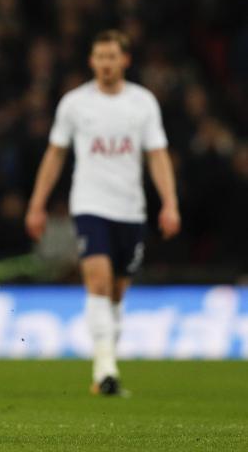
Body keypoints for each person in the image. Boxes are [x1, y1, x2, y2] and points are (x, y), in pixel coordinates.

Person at [25, 30, 180, 396]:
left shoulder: (143, 103)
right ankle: (106, 370)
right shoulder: (75, 104)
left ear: (124, 60)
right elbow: (55, 154)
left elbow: (157, 155)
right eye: (100, 57)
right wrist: (37, 203)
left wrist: (169, 202)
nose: (106, 64)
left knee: (117, 293)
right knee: (98, 282)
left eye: (112, 57)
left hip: (131, 209)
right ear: (91, 61)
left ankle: (106, 365)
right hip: (90, 205)